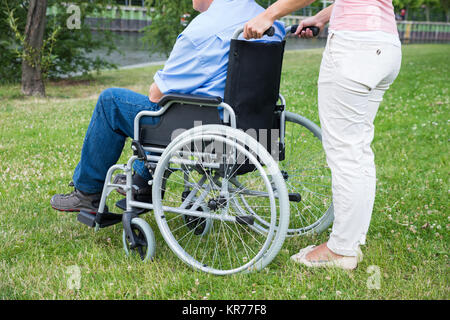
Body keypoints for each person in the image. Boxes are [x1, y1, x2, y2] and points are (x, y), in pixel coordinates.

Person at [50, 0, 285, 214]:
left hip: (206, 132)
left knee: (112, 101)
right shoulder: (267, 20)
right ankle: (142, 181)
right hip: (255, 132)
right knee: (182, 100)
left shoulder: (202, 31)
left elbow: (156, 94)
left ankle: (87, 192)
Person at [244, 0, 402, 270]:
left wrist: (269, 14)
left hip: (354, 48)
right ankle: (350, 241)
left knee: (345, 153)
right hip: (384, 44)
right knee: (358, 148)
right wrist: (322, 17)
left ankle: (341, 250)